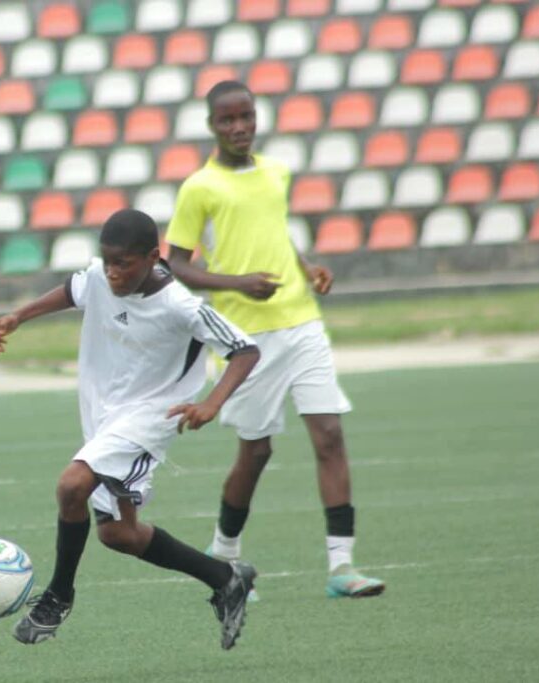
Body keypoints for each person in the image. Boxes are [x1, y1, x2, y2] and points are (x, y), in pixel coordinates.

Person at [0, 209, 261, 649]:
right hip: (104, 414)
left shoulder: (180, 305)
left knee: (71, 485)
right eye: (107, 261)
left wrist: (212, 403)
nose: (112, 273)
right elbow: (74, 290)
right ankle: (226, 579)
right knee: (118, 534)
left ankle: (58, 596)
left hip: (151, 416)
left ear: (153, 257)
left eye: (124, 264)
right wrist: (18, 317)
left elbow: (245, 349)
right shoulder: (100, 275)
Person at [164, 80, 386, 599]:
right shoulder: (199, 187)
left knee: (329, 434)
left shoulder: (275, 172)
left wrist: (306, 268)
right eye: (227, 120)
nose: (239, 127)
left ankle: (341, 567)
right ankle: (223, 555)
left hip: (302, 321)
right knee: (256, 452)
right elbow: (174, 263)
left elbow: (275, 231)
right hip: (248, 339)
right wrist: (238, 284)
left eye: (246, 116)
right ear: (211, 126)